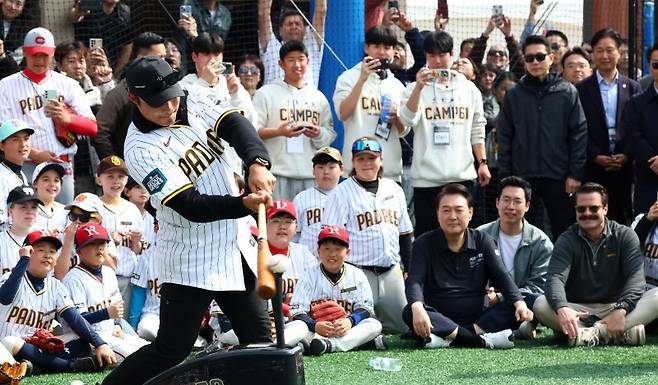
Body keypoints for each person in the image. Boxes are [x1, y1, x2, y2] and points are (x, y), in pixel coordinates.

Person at [101, 56, 275, 385]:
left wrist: (256, 162)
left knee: (259, 339)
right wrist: (244, 204)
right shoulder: (138, 149)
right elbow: (189, 204)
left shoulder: (190, 96)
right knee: (172, 348)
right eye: (157, 102)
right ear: (134, 99)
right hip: (190, 254)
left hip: (233, 243)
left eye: (172, 96)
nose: (168, 106)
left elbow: (234, 124)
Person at [404, 183, 533, 349]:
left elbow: (501, 276)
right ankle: (478, 340)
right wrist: (417, 306)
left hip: (478, 318)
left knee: (519, 304)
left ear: (470, 213)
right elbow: (414, 281)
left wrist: (519, 303)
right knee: (410, 311)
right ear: (437, 214)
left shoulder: (483, 240)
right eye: (446, 210)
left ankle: (448, 339)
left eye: (459, 210)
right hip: (438, 317)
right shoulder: (423, 243)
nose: (452, 216)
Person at [534, 183, 658, 346]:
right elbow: (555, 278)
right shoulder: (566, 239)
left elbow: (635, 279)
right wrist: (563, 308)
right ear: (576, 211)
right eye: (581, 209)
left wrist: (621, 309)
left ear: (605, 209)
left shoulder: (625, 235)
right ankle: (619, 333)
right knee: (540, 304)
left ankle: (587, 335)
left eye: (593, 208)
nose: (587, 214)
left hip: (616, 306)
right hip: (579, 310)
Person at [497, 35, 587, 240]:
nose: (535, 62)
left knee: (564, 230)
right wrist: (506, 176)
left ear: (551, 58)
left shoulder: (567, 92)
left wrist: (575, 174)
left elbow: (579, 134)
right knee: (521, 231)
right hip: (522, 176)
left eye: (540, 57)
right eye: (529, 58)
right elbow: (504, 137)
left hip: (560, 176)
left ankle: (565, 272)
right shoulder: (514, 95)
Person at [399, 31, 488, 237]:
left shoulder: (469, 89)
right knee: (427, 238)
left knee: (461, 236)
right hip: (426, 180)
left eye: (442, 55)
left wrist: (482, 162)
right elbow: (406, 121)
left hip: (461, 176)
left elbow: (477, 127)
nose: (437, 61)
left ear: (452, 54)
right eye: (432, 56)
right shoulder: (414, 87)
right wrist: (419, 88)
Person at [323, 137, 412, 334]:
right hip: (357, 273)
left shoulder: (394, 189)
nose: (366, 164)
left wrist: (409, 270)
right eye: (361, 159)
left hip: (391, 272)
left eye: (371, 158)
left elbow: (405, 234)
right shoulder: (341, 193)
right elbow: (331, 239)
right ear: (353, 163)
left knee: (402, 328)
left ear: (381, 160)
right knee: (357, 329)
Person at [0, 27, 97, 205]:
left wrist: (67, 119)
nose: (39, 60)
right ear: (25, 53)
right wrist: (34, 153)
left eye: (44, 55)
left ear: (52, 54)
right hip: (24, 166)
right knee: (25, 222)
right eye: (34, 55)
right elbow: (2, 130)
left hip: (62, 167)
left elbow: (92, 127)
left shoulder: (68, 85)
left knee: (59, 221)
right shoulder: (6, 86)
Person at [0, 229, 116, 373]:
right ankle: (68, 366)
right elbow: (5, 298)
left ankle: (34, 367)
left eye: (53, 251)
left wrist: (100, 344)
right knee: (10, 341)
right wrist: (23, 260)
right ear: (27, 252)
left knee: (80, 337)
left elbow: (75, 319)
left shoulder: (56, 286)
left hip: (37, 349)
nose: (48, 255)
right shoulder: (9, 278)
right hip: (6, 346)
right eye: (41, 249)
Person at [253, 40, 335, 200]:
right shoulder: (266, 93)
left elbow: (329, 135)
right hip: (276, 173)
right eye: (291, 60)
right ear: (281, 64)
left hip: (310, 174)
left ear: (308, 62)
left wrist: (318, 133)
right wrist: (279, 132)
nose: (297, 64)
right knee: (278, 222)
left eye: (301, 59)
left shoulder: (318, 97)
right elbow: (253, 131)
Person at [576, 28, 642, 225]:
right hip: (593, 164)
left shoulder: (632, 87)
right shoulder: (581, 89)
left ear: (619, 52)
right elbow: (578, 129)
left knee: (622, 217)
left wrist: (627, 154)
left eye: (610, 50)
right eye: (599, 50)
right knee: (592, 216)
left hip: (624, 165)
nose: (604, 56)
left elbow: (637, 126)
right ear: (593, 54)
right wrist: (595, 155)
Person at [289, 225, 384, 356]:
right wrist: (315, 325)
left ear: (347, 252)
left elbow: (366, 308)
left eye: (338, 249)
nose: (332, 254)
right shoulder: (308, 276)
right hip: (316, 331)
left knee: (374, 325)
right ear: (318, 251)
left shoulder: (357, 274)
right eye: (327, 248)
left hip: (347, 330)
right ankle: (357, 343)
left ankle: (328, 346)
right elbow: (297, 312)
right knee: (298, 327)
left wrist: (350, 321)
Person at [477, 176, 553, 338]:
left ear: (527, 206)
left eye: (517, 201)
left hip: (522, 302)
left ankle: (482, 329)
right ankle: (517, 329)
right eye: (506, 200)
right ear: (497, 203)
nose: (511, 207)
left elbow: (538, 287)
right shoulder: (480, 235)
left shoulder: (540, 241)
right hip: (484, 302)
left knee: (534, 300)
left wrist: (500, 297)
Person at [62, 223, 149, 360]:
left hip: (110, 333)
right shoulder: (73, 279)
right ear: (79, 251)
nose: (99, 248)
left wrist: (117, 325)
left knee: (148, 347)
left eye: (103, 243)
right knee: (137, 357)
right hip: (86, 339)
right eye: (92, 243)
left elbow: (117, 309)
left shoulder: (109, 273)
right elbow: (77, 321)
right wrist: (106, 314)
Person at [333, 26, 410, 182]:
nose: (381, 52)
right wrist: (362, 79)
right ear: (366, 48)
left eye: (387, 47)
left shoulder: (397, 85)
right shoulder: (348, 78)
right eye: (376, 46)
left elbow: (403, 131)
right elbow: (343, 114)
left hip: (389, 170)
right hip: (357, 168)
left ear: (394, 51)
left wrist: (396, 119)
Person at [92, 32, 166, 160]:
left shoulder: (167, 88)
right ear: (140, 58)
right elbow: (100, 131)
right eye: (159, 58)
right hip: (131, 171)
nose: (164, 63)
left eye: (164, 57)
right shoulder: (121, 93)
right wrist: (116, 166)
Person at [95, 156, 144, 320]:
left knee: (122, 323)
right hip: (99, 276)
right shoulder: (94, 206)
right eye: (110, 176)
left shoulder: (132, 209)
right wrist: (111, 239)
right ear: (98, 179)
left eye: (121, 177)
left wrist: (135, 242)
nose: (116, 181)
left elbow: (137, 251)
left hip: (126, 276)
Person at [258, 0, 326, 87]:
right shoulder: (272, 47)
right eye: (289, 24)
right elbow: (263, 14)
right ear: (280, 30)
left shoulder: (312, 47)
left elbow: (321, 10)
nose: (294, 27)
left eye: (297, 24)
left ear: (305, 30)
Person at [624, 43, 658, 215]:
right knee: (644, 227)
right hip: (648, 178)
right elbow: (633, 135)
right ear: (650, 67)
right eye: (656, 64)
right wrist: (653, 158)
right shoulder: (637, 102)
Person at [124, 178, 159, 341]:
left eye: (146, 188)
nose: (143, 191)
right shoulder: (122, 213)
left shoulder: (152, 220)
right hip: (126, 270)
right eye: (138, 187)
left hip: (147, 272)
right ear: (127, 191)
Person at [293, 147, 343, 258]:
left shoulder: (349, 197)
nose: (326, 172)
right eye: (320, 167)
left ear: (341, 170)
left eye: (331, 167)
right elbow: (294, 236)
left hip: (340, 262)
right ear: (313, 170)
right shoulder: (301, 198)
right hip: (307, 262)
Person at [69, 0, 133, 76]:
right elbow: (73, 17)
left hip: (110, 68)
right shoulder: (90, 6)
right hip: (87, 67)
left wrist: (115, 73)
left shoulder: (124, 12)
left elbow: (127, 46)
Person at [0, 119, 33, 229]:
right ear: (2, 146)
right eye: (15, 140)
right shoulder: (1, 176)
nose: (23, 144)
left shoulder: (20, 174)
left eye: (26, 138)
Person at [0, 186, 40, 274]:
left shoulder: (46, 240)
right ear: (10, 211)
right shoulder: (1, 242)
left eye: (34, 207)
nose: (29, 211)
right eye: (23, 207)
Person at [383, 8, 425, 86]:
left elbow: (423, 58)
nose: (396, 52)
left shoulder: (412, 76)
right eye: (391, 49)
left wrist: (411, 31)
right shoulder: (378, 74)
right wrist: (384, 26)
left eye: (399, 49)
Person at [32, 162, 67, 233]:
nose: (52, 184)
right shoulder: (26, 211)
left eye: (56, 180)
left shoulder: (66, 212)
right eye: (46, 180)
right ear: (35, 183)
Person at [0, 0, 35, 64]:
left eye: (18, 4)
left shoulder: (24, 32)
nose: (13, 7)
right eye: (10, 1)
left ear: (22, 8)